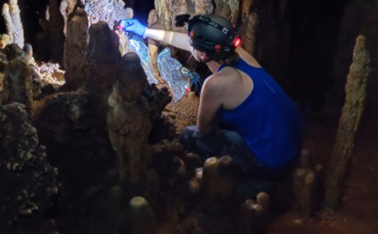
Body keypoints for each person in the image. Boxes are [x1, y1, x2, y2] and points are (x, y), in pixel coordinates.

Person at [120, 14, 303, 181]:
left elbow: (204, 130)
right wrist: (145, 31)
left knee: (188, 135)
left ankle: (252, 183)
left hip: (272, 161)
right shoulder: (242, 56)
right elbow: (190, 44)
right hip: (294, 140)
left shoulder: (215, 84)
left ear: (203, 54)